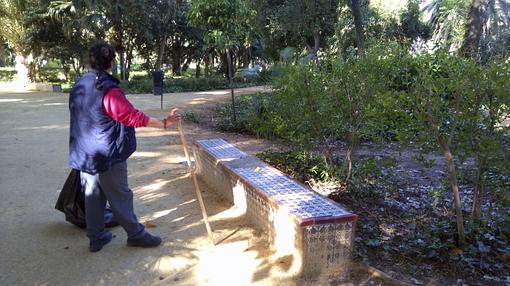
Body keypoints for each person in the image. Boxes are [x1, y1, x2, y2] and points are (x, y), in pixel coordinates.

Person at [68, 42, 181, 252]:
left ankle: (96, 237)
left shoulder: (80, 84)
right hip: (106, 153)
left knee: (93, 193)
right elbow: (131, 116)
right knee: (120, 194)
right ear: (110, 62)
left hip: (84, 151)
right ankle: (136, 234)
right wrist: (164, 123)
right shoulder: (107, 89)